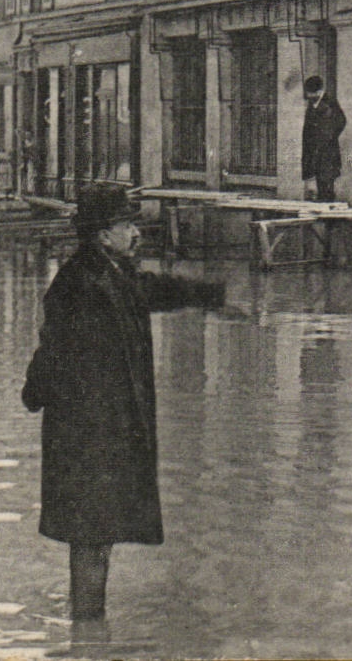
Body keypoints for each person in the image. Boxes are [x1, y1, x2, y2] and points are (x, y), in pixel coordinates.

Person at [21, 183, 225, 635]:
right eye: (126, 225)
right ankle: (89, 633)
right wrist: (34, 392)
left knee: (98, 533)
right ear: (102, 235)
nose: (136, 233)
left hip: (107, 432)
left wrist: (213, 297)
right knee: (91, 535)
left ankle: (88, 627)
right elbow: (52, 352)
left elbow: (155, 289)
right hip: (88, 435)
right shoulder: (78, 284)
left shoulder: (114, 274)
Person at [300, 76, 346, 202]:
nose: (309, 96)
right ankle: (323, 217)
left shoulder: (330, 103)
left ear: (320, 91)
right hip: (313, 153)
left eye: (312, 93)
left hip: (327, 154)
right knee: (317, 190)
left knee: (327, 188)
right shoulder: (311, 106)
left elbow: (341, 121)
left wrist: (329, 136)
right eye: (309, 93)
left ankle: (329, 220)